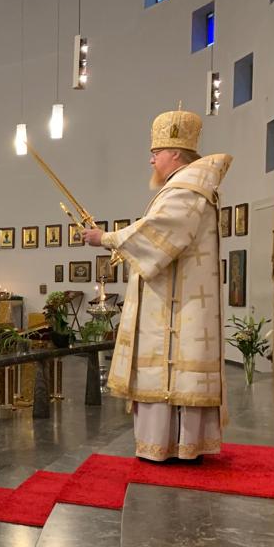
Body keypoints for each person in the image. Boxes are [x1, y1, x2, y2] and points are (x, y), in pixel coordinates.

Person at [82, 107, 230, 463]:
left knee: (169, 368)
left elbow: (158, 233)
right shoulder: (191, 186)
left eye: (156, 152)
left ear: (175, 153)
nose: (151, 160)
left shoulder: (186, 189)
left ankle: (169, 445)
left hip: (175, 309)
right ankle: (179, 444)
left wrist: (106, 238)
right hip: (176, 297)